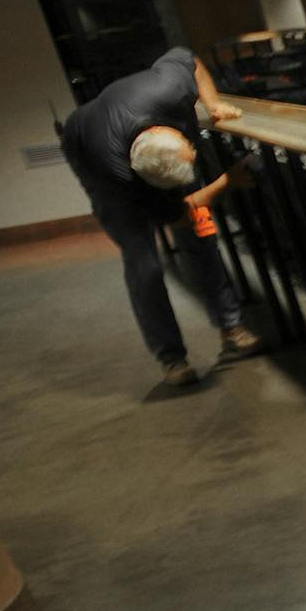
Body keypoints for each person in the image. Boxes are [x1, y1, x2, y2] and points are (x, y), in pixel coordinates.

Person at [59, 47, 261, 387]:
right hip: (86, 144)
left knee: (201, 234)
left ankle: (231, 327)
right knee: (144, 262)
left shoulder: (167, 88)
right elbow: (178, 216)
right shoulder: (117, 176)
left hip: (131, 121)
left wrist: (212, 104)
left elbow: (189, 57)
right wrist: (228, 181)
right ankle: (171, 357)